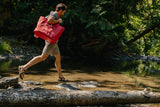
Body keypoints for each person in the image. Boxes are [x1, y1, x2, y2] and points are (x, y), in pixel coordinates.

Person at [18, 3, 68, 82]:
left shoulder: (52, 13)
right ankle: (23, 67)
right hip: (51, 42)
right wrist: (58, 21)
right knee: (42, 57)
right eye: (63, 12)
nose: (64, 13)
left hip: (53, 41)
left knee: (58, 59)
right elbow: (49, 20)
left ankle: (60, 77)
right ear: (60, 10)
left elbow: (44, 22)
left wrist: (38, 32)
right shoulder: (55, 14)